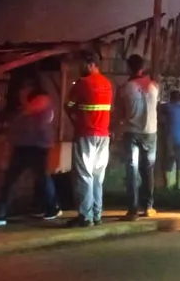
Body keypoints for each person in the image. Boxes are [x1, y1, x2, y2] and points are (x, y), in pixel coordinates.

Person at [0, 82, 60, 226]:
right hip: (26, 145)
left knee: (16, 179)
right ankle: (51, 207)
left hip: (36, 146)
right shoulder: (33, 102)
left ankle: (0, 213)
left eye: (23, 90)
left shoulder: (41, 100)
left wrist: (22, 102)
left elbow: (26, 113)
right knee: (35, 177)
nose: (20, 94)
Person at [65, 51, 113, 227]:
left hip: (85, 135)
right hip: (103, 136)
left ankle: (85, 217)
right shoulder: (108, 84)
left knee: (84, 175)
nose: (79, 68)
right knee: (97, 176)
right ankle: (97, 214)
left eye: (81, 64)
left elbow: (68, 105)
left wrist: (75, 120)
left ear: (90, 63)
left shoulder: (82, 83)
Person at [112, 54, 159, 221]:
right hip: (151, 132)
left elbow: (119, 113)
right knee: (148, 170)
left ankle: (132, 210)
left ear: (128, 67)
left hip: (131, 132)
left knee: (132, 170)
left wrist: (117, 129)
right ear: (142, 67)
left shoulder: (125, 88)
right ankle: (148, 207)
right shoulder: (154, 86)